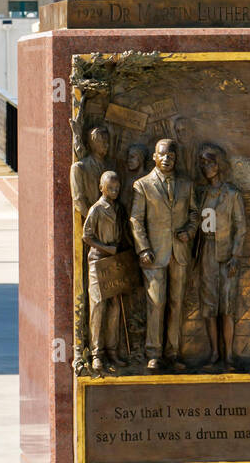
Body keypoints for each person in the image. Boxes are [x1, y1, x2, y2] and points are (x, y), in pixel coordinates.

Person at [129, 139, 197, 371]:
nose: (167, 159)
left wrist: (189, 230)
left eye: (171, 156)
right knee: (156, 302)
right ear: (154, 158)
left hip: (179, 252)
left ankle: (174, 352)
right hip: (154, 254)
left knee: (177, 303)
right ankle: (154, 352)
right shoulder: (143, 185)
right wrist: (143, 248)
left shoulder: (186, 186)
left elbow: (194, 213)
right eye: (163, 155)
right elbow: (136, 219)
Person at [194, 144, 246, 367]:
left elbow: (241, 227)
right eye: (204, 163)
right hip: (206, 253)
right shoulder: (201, 194)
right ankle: (214, 352)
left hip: (227, 255)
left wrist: (236, 255)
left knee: (227, 305)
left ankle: (229, 355)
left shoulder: (232, 195)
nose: (207, 167)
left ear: (220, 165)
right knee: (209, 305)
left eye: (211, 162)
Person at [82, 170, 128, 373]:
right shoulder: (97, 209)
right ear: (102, 188)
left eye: (117, 188)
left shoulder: (119, 209)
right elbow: (86, 236)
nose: (115, 191)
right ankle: (96, 353)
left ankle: (112, 350)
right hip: (98, 261)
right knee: (98, 307)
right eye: (111, 188)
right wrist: (105, 248)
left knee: (116, 307)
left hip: (114, 261)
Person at [70, 124, 115, 219]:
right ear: (93, 144)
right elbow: (79, 200)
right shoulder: (80, 168)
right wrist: (94, 221)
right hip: (91, 222)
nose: (107, 145)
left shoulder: (110, 166)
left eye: (107, 142)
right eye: (103, 142)